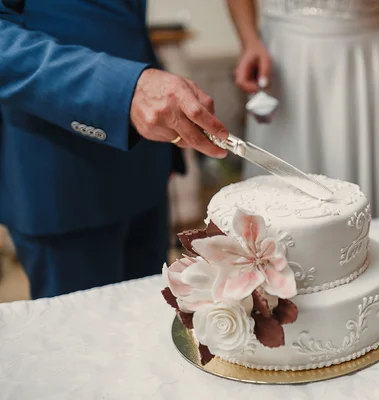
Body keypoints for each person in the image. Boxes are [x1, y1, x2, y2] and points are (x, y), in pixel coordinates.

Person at [0, 0, 229, 299]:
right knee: (85, 339)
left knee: (149, 324)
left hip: (144, 163)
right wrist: (124, 92)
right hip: (61, 174)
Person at [227, 0, 379, 218]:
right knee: (283, 210)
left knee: (378, 203)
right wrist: (249, 40)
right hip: (286, 65)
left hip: (377, 69)